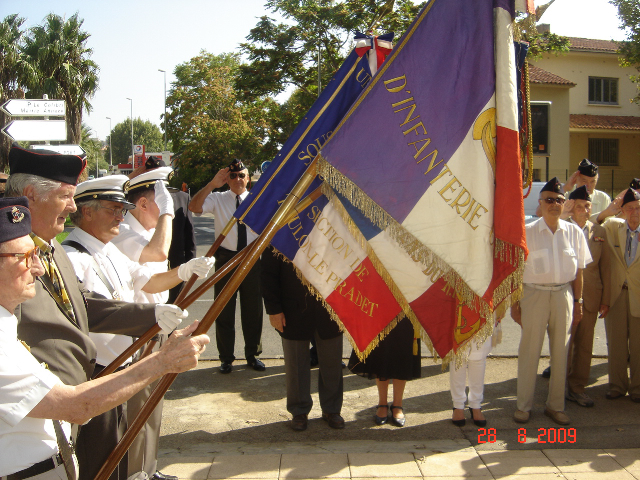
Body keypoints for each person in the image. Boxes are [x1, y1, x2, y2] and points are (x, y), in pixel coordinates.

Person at [5, 145, 190, 480]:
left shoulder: (52, 248)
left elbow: (84, 305)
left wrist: (150, 316)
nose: (73, 207)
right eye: (65, 196)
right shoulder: (10, 255)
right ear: (31, 194)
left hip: (68, 411)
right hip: (38, 416)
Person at [62, 175, 214, 480]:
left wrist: (184, 272)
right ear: (87, 212)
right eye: (113, 208)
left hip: (125, 362)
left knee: (124, 447)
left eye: (122, 208)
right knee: (101, 459)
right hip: (100, 370)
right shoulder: (72, 257)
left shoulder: (107, 250)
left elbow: (147, 280)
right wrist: (151, 314)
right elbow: (91, 311)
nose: (121, 214)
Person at [110, 167, 183, 480]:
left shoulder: (139, 232)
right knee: (139, 409)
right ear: (141, 205)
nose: (169, 209)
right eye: (161, 202)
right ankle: (135, 473)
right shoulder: (126, 233)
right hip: (137, 335)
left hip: (155, 329)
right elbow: (158, 252)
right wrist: (167, 215)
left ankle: (148, 470)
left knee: (152, 405)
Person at [511, 177, 592, 425]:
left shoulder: (574, 232)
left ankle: (555, 406)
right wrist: (515, 303)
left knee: (561, 352)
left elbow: (579, 271)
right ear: (541, 203)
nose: (554, 204)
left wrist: (577, 302)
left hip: (563, 295)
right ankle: (523, 406)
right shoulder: (528, 232)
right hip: (533, 294)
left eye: (558, 200)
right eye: (549, 200)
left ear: (564, 203)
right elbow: (515, 271)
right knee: (529, 352)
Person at [188, 159, 265, 374]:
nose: (237, 179)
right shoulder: (217, 198)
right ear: (227, 179)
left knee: (253, 311)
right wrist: (212, 184)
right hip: (225, 259)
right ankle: (226, 358)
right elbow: (194, 207)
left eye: (242, 175)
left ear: (248, 179)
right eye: (233, 176)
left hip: (250, 259)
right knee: (223, 310)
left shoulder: (257, 200)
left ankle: (252, 355)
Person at [261, 246, 344, 431]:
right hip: (292, 309)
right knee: (296, 364)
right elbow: (268, 273)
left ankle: (332, 409)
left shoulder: (332, 222)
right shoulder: (281, 224)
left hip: (331, 307)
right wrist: (274, 310)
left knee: (332, 362)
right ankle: (299, 410)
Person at [560, 186, 611, 407]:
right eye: (578, 206)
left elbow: (606, 268)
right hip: (564, 296)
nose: (584, 210)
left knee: (584, 345)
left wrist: (605, 299)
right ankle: (558, 389)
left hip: (590, 297)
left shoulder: (599, 232)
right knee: (562, 345)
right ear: (571, 208)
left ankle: (578, 387)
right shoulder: (560, 228)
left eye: (587, 205)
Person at [601, 188, 640, 402]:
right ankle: (616, 386)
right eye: (630, 208)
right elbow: (593, 224)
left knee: (638, 345)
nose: (634, 212)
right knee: (615, 343)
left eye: (638, 208)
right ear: (623, 211)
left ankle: (638, 388)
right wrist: (609, 210)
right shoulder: (614, 227)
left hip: (638, 295)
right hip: (616, 295)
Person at [348, 317, 421, 427]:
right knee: (381, 351)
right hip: (381, 306)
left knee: (402, 350)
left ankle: (398, 405)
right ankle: (382, 403)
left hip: (406, 308)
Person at [449, 325, 501, 427]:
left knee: (479, 355)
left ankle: (476, 404)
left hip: (483, 310)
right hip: (458, 311)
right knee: (458, 355)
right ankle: (458, 405)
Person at [562, 158, 611, 223]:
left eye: (593, 181)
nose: (588, 185)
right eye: (584, 181)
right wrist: (565, 188)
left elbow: (608, 225)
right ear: (576, 179)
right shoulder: (565, 195)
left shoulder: (603, 198)